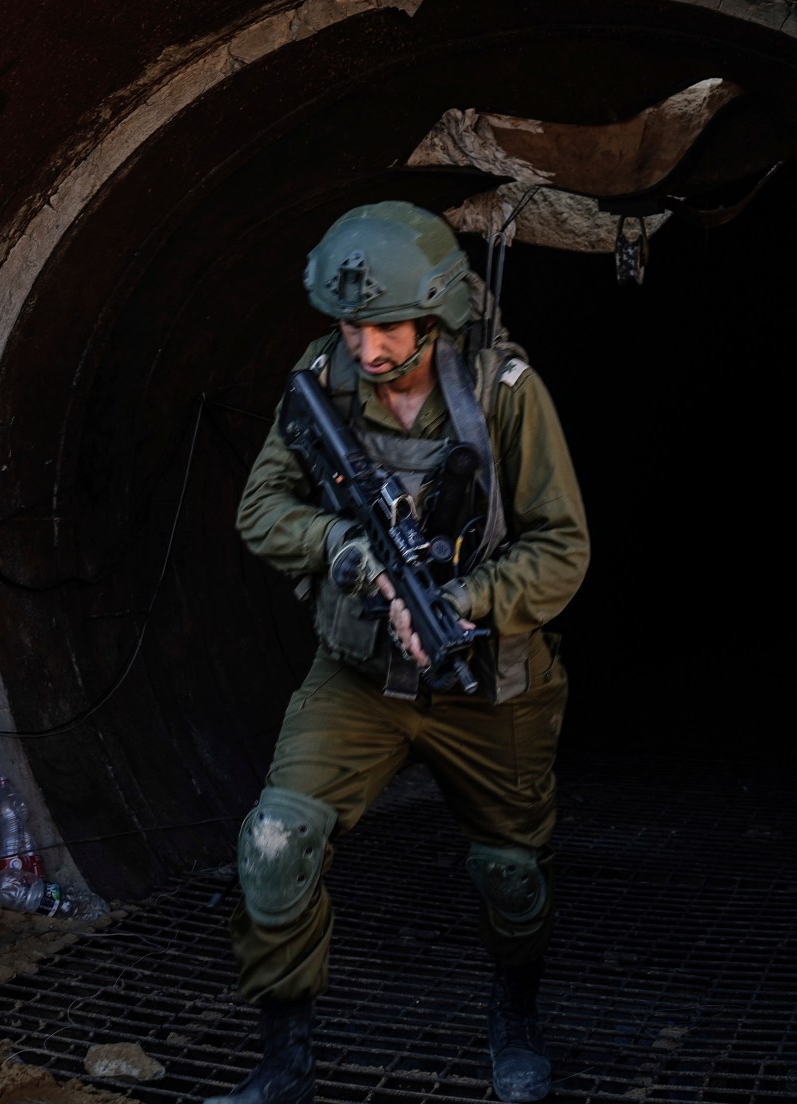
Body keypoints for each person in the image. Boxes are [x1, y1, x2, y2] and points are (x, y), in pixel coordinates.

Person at [213, 201, 591, 1104]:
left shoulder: (504, 393)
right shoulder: (323, 380)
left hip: (487, 682)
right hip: (357, 677)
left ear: (438, 314)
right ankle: (284, 1066)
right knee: (275, 845)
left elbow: (561, 547)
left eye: (388, 329)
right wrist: (342, 548)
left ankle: (516, 1015)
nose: (369, 349)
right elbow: (260, 510)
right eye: (353, 326)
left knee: (512, 875)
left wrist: (462, 600)